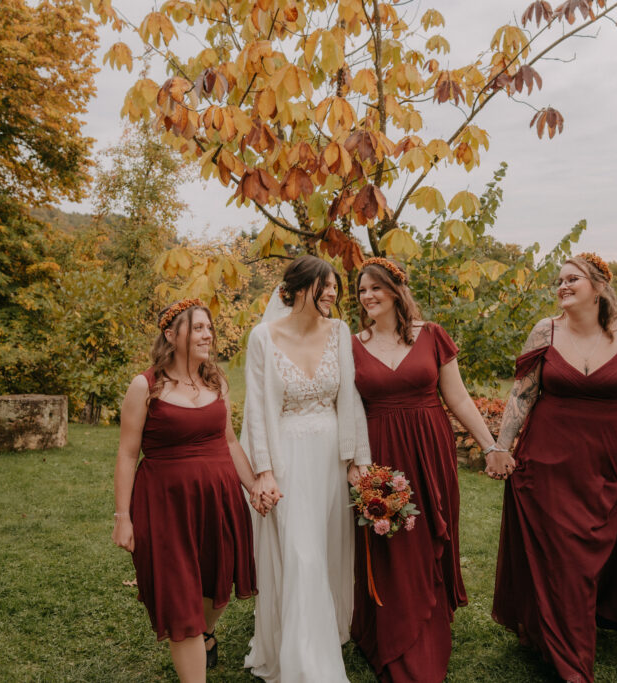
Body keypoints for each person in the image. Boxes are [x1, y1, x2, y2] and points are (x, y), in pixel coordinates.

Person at [487, 253, 617, 683]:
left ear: (598, 286)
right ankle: (570, 660)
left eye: (572, 278)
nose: (562, 285)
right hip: (548, 462)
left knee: (597, 554)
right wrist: (501, 447)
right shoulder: (545, 330)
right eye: (559, 280)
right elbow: (521, 395)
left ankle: (579, 623)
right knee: (560, 557)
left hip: (609, 462)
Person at [350, 257, 502, 683]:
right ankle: (396, 631)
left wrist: (490, 445)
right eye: (362, 290)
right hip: (380, 452)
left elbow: (458, 397)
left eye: (376, 288)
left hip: (430, 451)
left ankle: (430, 618)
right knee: (393, 540)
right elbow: (345, 411)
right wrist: (354, 464)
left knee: (430, 533)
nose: (368, 296)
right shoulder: (351, 344)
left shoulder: (432, 335)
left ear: (397, 291)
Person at [112, 299, 264, 683]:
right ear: (170, 335)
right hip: (166, 508)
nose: (207, 334)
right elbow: (128, 454)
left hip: (219, 501)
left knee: (215, 585)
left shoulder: (216, 382)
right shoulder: (145, 385)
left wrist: (253, 487)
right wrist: (122, 518)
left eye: (209, 327)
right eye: (197, 328)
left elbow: (229, 442)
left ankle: (208, 635)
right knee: (183, 607)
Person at [242, 254, 372, 683]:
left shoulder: (339, 331)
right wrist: (264, 471)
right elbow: (258, 410)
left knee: (327, 548)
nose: (334, 292)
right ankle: (306, 664)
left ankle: (321, 635)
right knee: (301, 553)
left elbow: (349, 399)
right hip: (288, 457)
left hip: (331, 456)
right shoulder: (263, 337)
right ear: (298, 289)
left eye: (335, 285)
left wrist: (359, 461)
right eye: (326, 285)